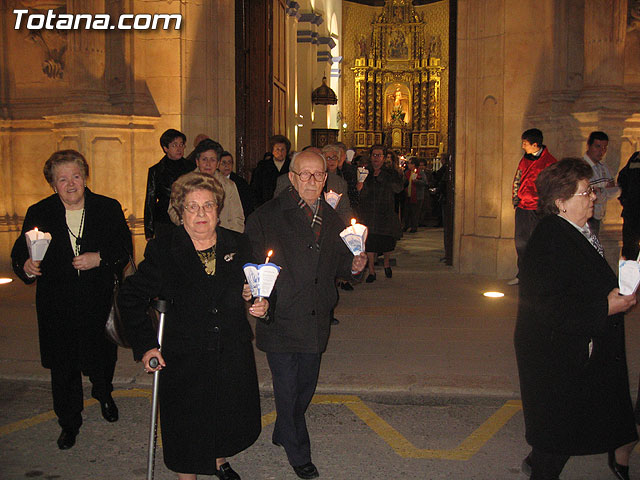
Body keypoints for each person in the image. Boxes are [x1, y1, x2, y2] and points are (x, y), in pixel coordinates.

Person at [119, 172, 263, 480]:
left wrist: (258, 301)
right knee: (188, 421)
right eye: (192, 206)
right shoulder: (165, 249)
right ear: (179, 212)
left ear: (218, 209)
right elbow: (130, 296)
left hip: (230, 349)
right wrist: (146, 346)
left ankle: (219, 459)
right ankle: (188, 474)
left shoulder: (237, 243)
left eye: (208, 205)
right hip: (185, 353)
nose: (201, 213)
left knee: (224, 412)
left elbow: (257, 290)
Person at [244, 150, 367, 479]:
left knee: (305, 386)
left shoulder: (331, 217)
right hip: (281, 315)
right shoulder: (265, 216)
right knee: (287, 387)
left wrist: (355, 266)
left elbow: (341, 264)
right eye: (305, 175)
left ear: (325, 179)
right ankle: (299, 453)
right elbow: (253, 268)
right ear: (292, 178)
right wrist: (254, 294)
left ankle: (284, 428)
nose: (312, 181)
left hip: (315, 316)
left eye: (318, 175)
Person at [514, 157, 638, 480]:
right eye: (586, 192)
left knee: (568, 427)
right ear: (561, 202)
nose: (594, 197)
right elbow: (549, 307)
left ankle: (618, 453)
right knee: (559, 432)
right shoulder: (551, 240)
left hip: (577, 347)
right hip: (558, 354)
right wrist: (605, 308)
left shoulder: (576, 230)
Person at [11, 150, 132, 450]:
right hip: (57, 305)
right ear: (52, 184)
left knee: (102, 359)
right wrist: (25, 266)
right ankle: (69, 422)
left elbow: (123, 249)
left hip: (98, 300)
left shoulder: (107, 208)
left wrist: (99, 258)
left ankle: (104, 394)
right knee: (63, 367)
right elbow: (20, 251)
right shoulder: (40, 212)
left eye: (75, 176)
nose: (70, 184)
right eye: (62, 178)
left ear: (85, 176)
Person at [510, 128, 557, 285]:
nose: (523, 146)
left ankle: (538, 276)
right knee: (520, 241)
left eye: (525, 143)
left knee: (537, 243)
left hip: (538, 209)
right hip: (523, 207)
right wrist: (516, 197)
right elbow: (518, 178)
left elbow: (553, 187)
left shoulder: (550, 162)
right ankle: (522, 273)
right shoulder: (525, 159)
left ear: (535, 144)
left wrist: (545, 206)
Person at [358, 145, 404, 282]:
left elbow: (398, 188)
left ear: (384, 158)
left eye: (379, 155)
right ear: (370, 156)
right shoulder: (364, 172)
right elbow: (359, 192)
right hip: (369, 212)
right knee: (370, 242)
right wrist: (359, 187)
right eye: (374, 155)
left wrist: (385, 178)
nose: (376, 158)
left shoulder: (391, 173)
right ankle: (371, 271)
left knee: (386, 241)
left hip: (385, 211)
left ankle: (386, 263)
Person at [144, 129, 195, 240]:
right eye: (174, 145)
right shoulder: (156, 170)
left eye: (181, 145)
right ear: (165, 148)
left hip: (188, 215)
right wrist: (149, 230)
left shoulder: (191, 168)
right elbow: (150, 199)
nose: (179, 148)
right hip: (164, 219)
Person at [191, 139, 245, 233]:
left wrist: (231, 240)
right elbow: (174, 210)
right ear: (197, 162)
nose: (208, 164)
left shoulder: (228, 185)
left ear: (218, 163)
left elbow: (237, 218)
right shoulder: (186, 182)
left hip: (222, 237)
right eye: (204, 159)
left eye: (212, 160)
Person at [583, 131, 618, 236]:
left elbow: (614, 189)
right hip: (585, 217)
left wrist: (601, 191)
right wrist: (603, 192)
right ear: (589, 146)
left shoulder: (603, 167)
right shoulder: (582, 167)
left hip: (598, 215)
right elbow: (591, 196)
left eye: (604, 148)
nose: (601, 151)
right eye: (597, 146)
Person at [250, 134, 291, 207]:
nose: (280, 153)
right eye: (277, 149)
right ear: (272, 151)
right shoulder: (263, 166)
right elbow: (255, 189)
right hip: (266, 205)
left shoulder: (291, 166)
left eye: (282, 150)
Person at [618, 150, 640, 260]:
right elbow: (622, 177)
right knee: (630, 251)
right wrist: (625, 199)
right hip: (631, 213)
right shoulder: (636, 157)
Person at [219, 151, 255, 219]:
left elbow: (247, 205)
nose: (227, 165)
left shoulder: (240, 183)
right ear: (218, 165)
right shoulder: (214, 180)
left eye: (229, 162)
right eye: (223, 163)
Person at [403, 158, 428, 233]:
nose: (408, 165)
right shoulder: (407, 172)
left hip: (417, 195)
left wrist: (417, 181)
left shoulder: (420, 173)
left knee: (415, 212)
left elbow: (425, 182)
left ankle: (414, 227)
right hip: (408, 194)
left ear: (414, 164)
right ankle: (406, 225)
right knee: (407, 212)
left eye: (410, 163)